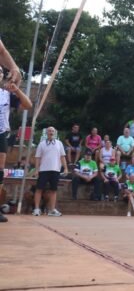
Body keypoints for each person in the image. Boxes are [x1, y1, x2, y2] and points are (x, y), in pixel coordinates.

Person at [0, 64, 32, 223]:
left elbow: (28, 105)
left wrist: (17, 90)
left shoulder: (6, 95)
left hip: (0, 133)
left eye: (0, 72)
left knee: (0, 171)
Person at [33, 127, 68, 216]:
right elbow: (37, 158)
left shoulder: (59, 143)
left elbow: (62, 156)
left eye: (52, 131)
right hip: (43, 170)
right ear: (46, 133)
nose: (51, 132)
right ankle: (36, 209)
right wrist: (36, 170)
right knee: (39, 189)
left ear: (55, 133)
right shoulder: (41, 144)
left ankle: (52, 210)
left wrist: (65, 168)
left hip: (55, 170)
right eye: (49, 131)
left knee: (54, 190)